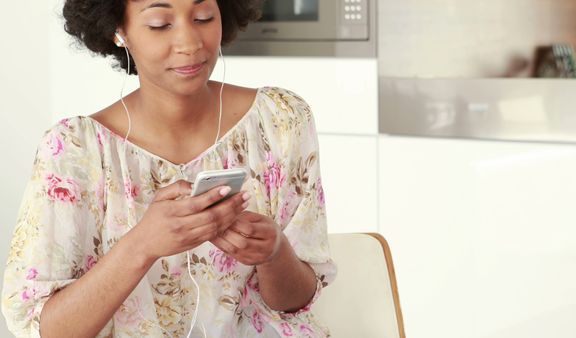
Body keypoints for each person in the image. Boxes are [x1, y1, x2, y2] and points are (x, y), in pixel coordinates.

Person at [1, 0, 335, 337]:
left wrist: (274, 253)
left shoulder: (280, 121)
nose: (191, 43)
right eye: (160, 24)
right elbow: (46, 330)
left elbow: (296, 303)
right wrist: (141, 245)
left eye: (204, 17)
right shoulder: (75, 151)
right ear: (119, 30)